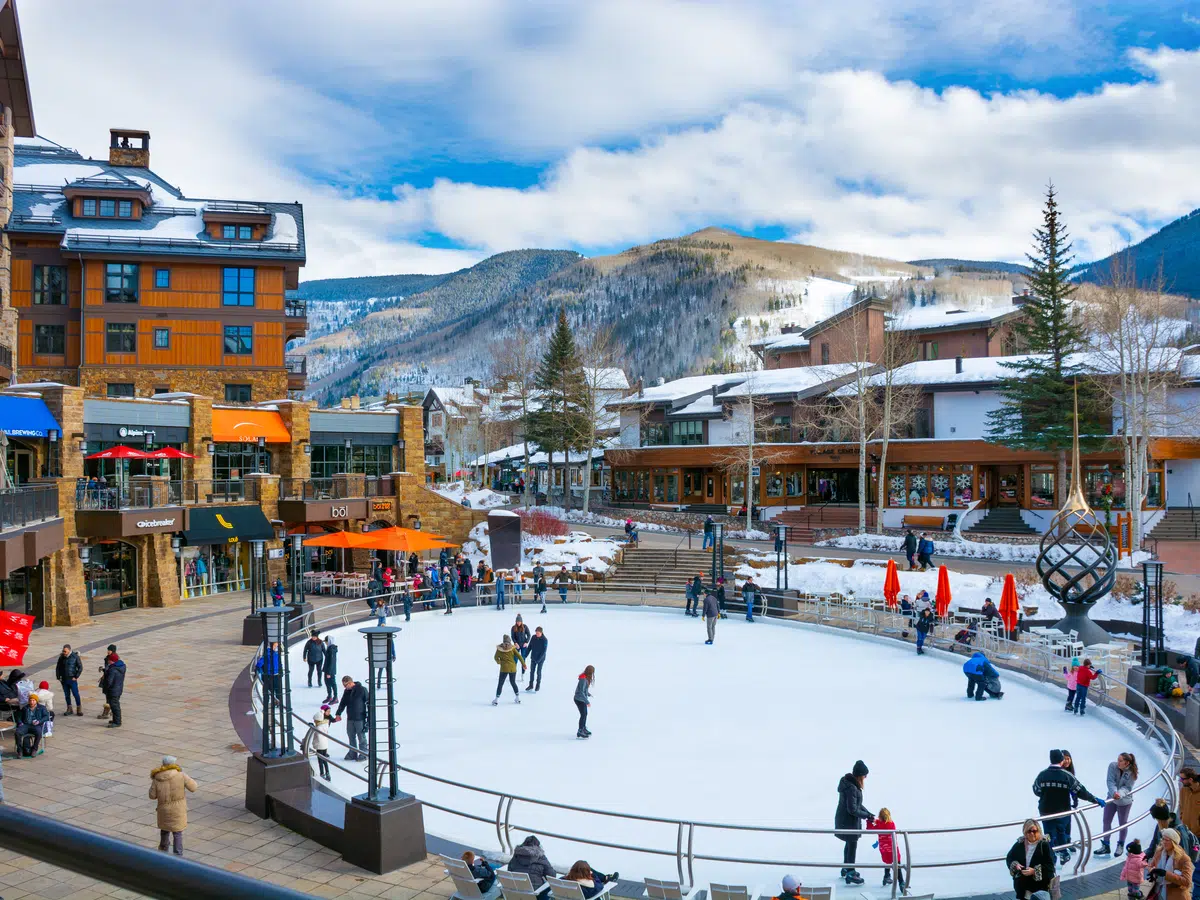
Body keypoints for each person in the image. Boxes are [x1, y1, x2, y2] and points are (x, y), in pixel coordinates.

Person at [1033, 749, 1103, 865]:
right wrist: (1095, 799)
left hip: (1046, 811)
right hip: (1062, 811)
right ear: (1061, 760)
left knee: (1048, 834)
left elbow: (1036, 790)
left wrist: (1046, 794)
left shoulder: (1042, 774)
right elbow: (1081, 791)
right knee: (1061, 831)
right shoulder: (1066, 775)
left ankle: (1051, 857)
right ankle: (1064, 853)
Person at [834, 760, 874, 885]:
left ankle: (846, 868)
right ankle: (850, 872)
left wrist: (868, 813)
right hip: (848, 821)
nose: (866, 777)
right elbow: (853, 809)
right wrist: (866, 816)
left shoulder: (850, 785)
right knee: (852, 845)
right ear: (859, 775)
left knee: (849, 844)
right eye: (864, 775)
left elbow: (858, 805)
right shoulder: (852, 787)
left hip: (845, 820)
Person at [149, 755, 198, 857]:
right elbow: (193, 787)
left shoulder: (157, 778)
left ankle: (163, 851)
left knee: (164, 831)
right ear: (173, 764)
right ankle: (178, 854)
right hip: (178, 809)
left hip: (164, 809)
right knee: (177, 833)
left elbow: (152, 796)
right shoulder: (181, 775)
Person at [1096, 752, 1138, 857]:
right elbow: (1110, 781)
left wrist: (1119, 794)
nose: (1118, 762)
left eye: (1120, 761)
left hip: (1124, 801)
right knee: (1106, 820)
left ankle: (1120, 844)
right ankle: (1106, 845)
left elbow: (1127, 788)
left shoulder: (1132, 773)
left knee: (1122, 823)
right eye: (1118, 760)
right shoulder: (1112, 766)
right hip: (1111, 798)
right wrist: (1114, 792)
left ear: (1127, 763)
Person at [1005, 819, 1056, 900]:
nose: (1032, 833)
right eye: (1029, 831)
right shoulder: (1019, 844)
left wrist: (1034, 871)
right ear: (1025, 832)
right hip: (1023, 887)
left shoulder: (1044, 845)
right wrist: (1015, 865)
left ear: (1038, 831)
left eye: (1034, 831)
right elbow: (1010, 858)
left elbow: (1050, 866)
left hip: (1040, 888)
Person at [1149, 827, 1195, 899]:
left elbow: (1187, 882)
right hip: (1159, 891)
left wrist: (1165, 874)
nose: (1163, 842)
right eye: (1163, 839)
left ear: (1174, 842)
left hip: (1176, 896)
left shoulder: (1184, 859)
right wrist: (1152, 871)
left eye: (1167, 840)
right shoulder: (1159, 852)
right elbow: (1151, 866)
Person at [867, 807, 905, 892]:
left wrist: (869, 821)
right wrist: (877, 821)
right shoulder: (892, 824)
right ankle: (901, 882)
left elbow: (869, 829)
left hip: (884, 849)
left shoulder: (879, 825)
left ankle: (886, 876)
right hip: (893, 849)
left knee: (887, 862)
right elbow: (884, 823)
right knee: (897, 866)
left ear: (880, 817)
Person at [333, 676, 369, 761]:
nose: (345, 687)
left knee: (361, 737)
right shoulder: (347, 691)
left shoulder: (362, 690)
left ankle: (363, 754)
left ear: (350, 683)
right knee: (351, 736)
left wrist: (368, 719)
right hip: (350, 718)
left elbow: (368, 703)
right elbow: (343, 703)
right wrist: (338, 713)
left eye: (345, 685)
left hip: (360, 718)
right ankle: (352, 753)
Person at [493, 634, 526, 705]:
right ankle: (517, 698)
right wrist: (523, 664)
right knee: (513, 682)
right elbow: (519, 656)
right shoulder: (512, 648)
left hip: (504, 668)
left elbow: (495, 657)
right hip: (512, 668)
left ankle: (496, 699)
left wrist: (499, 662)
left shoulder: (499, 649)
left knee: (500, 683)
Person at [56, 644, 83, 716]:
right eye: (63, 651)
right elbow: (58, 667)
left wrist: (76, 676)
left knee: (75, 694)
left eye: (65, 651)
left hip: (72, 679)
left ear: (69, 650)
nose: (63, 652)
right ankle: (69, 708)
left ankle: (79, 708)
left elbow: (80, 667)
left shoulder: (75, 657)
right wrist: (58, 677)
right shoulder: (61, 657)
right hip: (64, 679)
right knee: (67, 695)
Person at [102, 649, 126, 728]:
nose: (108, 661)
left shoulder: (113, 670)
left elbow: (109, 681)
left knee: (115, 706)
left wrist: (106, 687)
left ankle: (117, 722)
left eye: (109, 660)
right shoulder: (121, 666)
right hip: (118, 688)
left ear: (112, 661)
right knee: (115, 705)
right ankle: (115, 720)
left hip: (113, 690)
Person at [311, 708, 332, 781]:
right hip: (325, 745)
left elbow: (317, 739)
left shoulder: (318, 728)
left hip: (320, 746)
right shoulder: (325, 725)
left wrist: (314, 744)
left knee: (320, 760)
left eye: (315, 720)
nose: (314, 721)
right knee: (325, 760)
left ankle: (322, 773)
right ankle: (327, 773)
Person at [574, 665, 594, 738]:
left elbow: (583, 690)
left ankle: (583, 728)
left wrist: (588, 694)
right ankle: (580, 731)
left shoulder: (585, 678)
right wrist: (587, 702)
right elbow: (581, 692)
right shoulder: (583, 679)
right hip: (579, 699)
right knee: (583, 714)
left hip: (581, 698)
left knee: (585, 714)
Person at [526, 627, 548, 692]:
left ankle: (537, 685)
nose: (537, 634)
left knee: (538, 672)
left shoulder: (544, 640)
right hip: (533, 657)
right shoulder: (533, 637)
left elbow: (544, 651)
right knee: (532, 671)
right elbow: (530, 646)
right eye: (536, 633)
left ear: (541, 633)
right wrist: (525, 655)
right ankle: (531, 685)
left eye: (538, 633)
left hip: (540, 659)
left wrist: (538, 660)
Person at [321, 635, 339, 704]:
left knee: (332, 683)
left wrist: (328, 672)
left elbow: (331, 662)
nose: (325, 643)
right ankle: (329, 696)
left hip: (330, 671)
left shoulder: (331, 649)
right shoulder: (329, 648)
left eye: (326, 642)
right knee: (327, 683)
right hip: (327, 670)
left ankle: (335, 697)